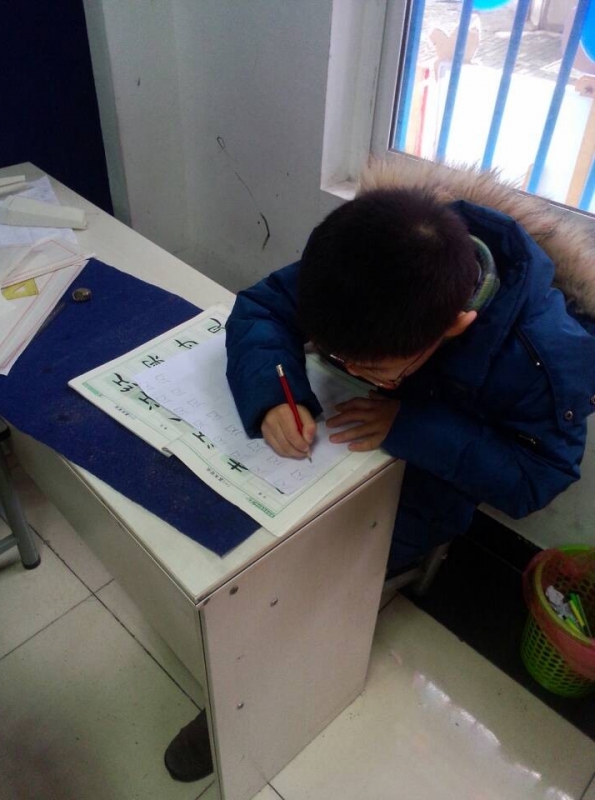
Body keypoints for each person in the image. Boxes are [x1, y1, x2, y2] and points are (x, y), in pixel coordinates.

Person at [164, 159, 595, 781]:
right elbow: (264, 306)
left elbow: (538, 477)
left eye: (374, 368)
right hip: (335, 453)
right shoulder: (369, 259)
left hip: (426, 490)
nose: (352, 369)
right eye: (339, 357)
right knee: (233, 543)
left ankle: (242, 702)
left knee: (305, 582)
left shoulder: (545, 357)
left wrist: (407, 424)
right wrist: (274, 393)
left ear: (457, 325)